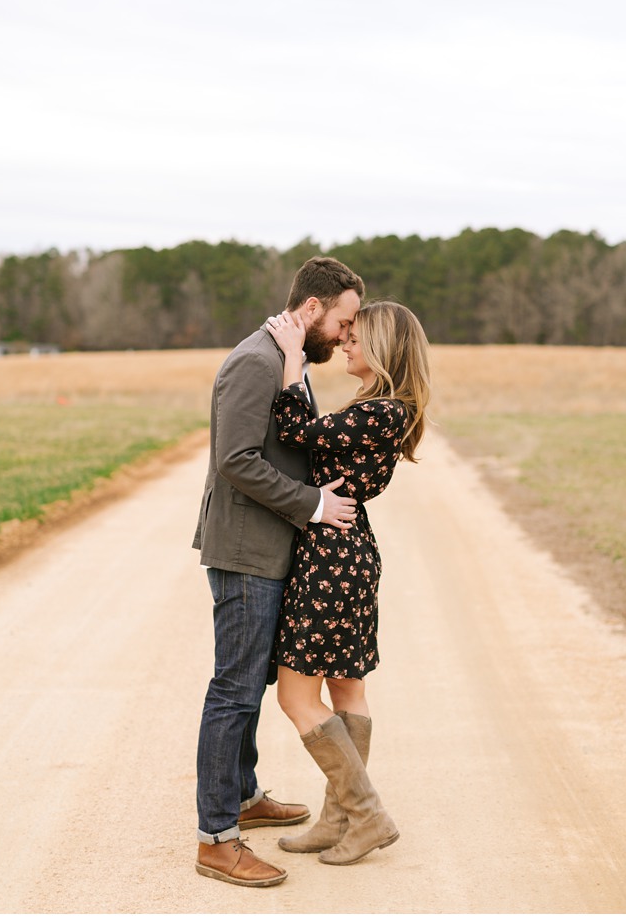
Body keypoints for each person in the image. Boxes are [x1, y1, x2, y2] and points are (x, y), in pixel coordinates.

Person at [193, 256, 364, 887]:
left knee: (250, 686)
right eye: (344, 321)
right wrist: (316, 504)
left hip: (269, 549)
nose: (347, 336)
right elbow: (236, 459)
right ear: (313, 308)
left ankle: (242, 795)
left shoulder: (287, 357)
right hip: (244, 551)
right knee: (234, 690)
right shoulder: (254, 360)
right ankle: (217, 838)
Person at [260, 298, 431, 866]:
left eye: (357, 338)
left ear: (382, 348)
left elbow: (295, 428)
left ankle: (367, 814)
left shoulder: (380, 411)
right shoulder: (384, 408)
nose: (346, 344)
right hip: (348, 551)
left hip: (332, 557)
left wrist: (291, 356)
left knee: (295, 695)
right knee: (347, 689)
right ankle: (338, 820)